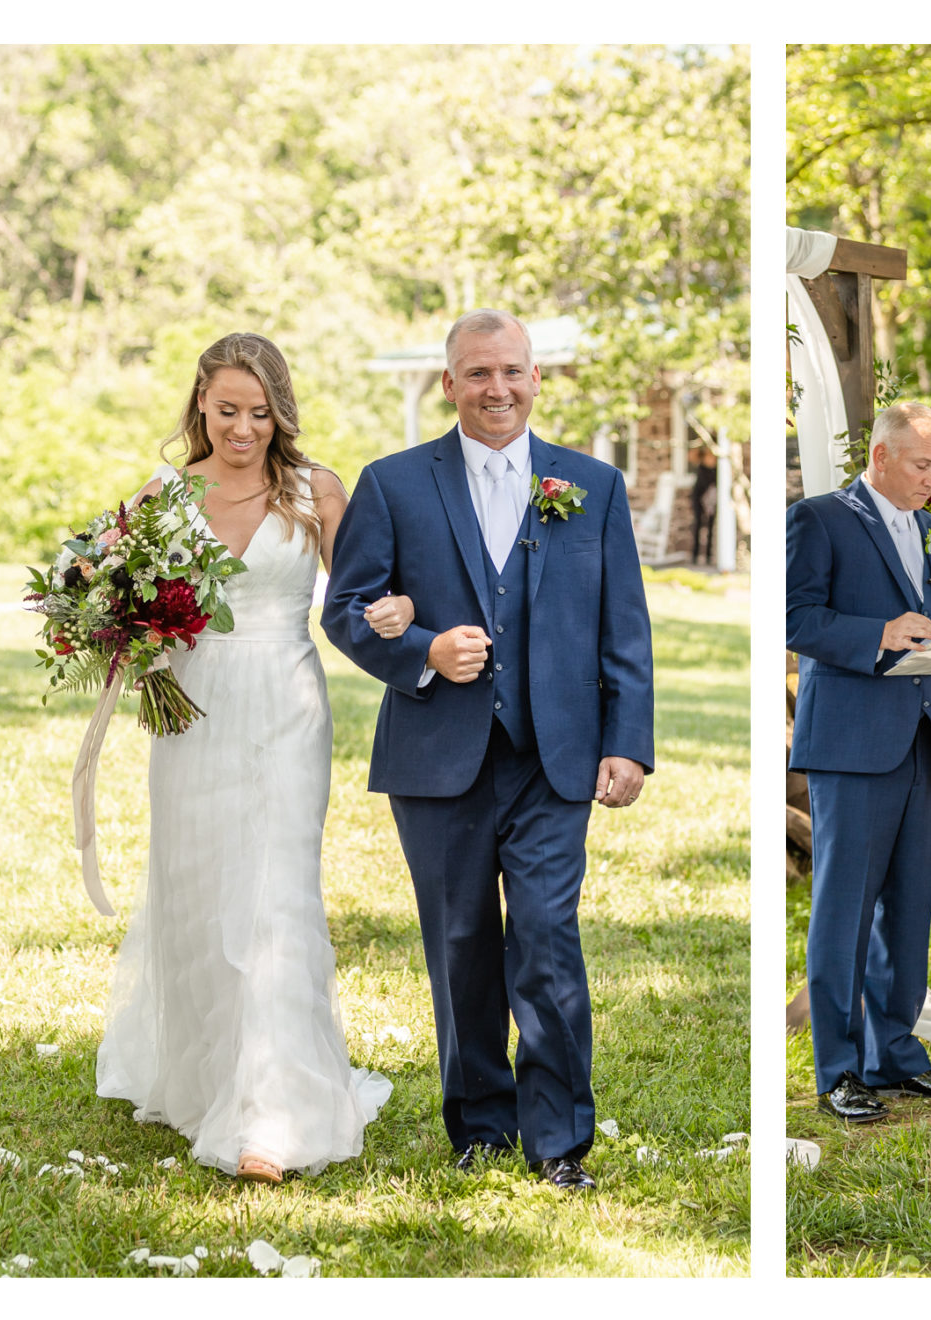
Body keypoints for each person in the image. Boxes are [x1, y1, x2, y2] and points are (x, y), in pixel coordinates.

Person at [323, 310, 653, 1193]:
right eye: (477, 373)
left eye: (512, 371)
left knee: (547, 940)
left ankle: (559, 1143)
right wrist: (422, 653)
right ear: (449, 384)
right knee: (461, 942)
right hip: (438, 757)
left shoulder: (593, 485)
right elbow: (347, 611)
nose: (496, 388)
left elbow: (625, 626)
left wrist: (628, 743)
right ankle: (478, 1123)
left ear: (537, 378)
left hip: (558, 757)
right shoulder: (392, 485)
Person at [97, 332, 397, 1183]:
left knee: (272, 897)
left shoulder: (316, 492)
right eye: (227, 410)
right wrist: (119, 634)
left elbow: (359, 598)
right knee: (195, 887)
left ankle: (275, 1110)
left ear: (280, 412)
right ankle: (205, 1080)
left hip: (284, 708)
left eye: (260, 413)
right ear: (200, 403)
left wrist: (393, 613)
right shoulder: (163, 495)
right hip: (189, 715)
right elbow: (124, 603)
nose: (243, 428)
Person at [787, 401, 931, 1124]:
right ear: (881, 457)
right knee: (844, 910)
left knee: (908, 910)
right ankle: (839, 1068)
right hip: (853, 743)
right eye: (922, 464)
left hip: (926, 739)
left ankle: (896, 1056)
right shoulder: (819, 519)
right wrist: (879, 632)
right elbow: (793, 616)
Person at [690, 445, 719, 565]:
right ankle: (695, 555)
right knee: (698, 525)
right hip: (699, 498)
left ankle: (708, 555)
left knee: (710, 527)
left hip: (711, 500)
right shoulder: (701, 463)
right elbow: (691, 457)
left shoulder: (717, 468)